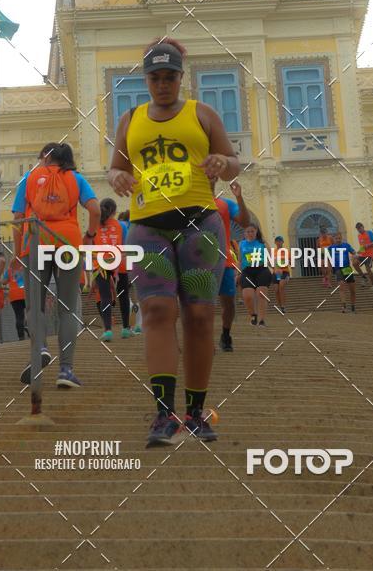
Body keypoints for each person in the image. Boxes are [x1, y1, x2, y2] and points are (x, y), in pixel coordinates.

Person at [108, 38, 239, 446]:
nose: (162, 85)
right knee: (156, 310)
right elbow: (115, 167)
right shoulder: (130, 119)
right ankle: (164, 415)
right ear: (146, 80)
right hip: (148, 227)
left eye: (170, 77)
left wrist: (222, 162)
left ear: (181, 78)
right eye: (155, 78)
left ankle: (196, 413)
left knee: (199, 315)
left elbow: (234, 162)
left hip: (200, 224)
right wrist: (117, 177)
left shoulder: (202, 114)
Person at [11, 142, 100, 388]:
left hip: (36, 241)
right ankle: (66, 371)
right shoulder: (76, 178)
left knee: (34, 306)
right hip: (68, 242)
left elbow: (17, 218)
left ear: (46, 157)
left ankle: (40, 347)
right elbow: (95, 209)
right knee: (68, 309)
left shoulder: (29, 178)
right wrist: (90, 235)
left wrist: (17, 253)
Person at [213, 180, 250, 352]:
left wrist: (239, 197)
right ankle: (204, 338)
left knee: (229, 304)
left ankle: (225, 334)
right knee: (202, 305)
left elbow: (245, 222)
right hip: (199, 263)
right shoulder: (192, 204)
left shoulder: (225, 204)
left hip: (224, 261)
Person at [92, 198, 133, 341]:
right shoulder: (121, 225)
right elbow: (125, 246)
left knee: (105, 297)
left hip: (100, 264)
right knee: (124, 296)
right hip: (119, 262)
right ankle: (126, 329)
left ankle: (108, 330)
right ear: (114, 211)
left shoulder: (94, 225)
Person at [239, 224, 271, 327]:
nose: (250, 233)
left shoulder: (263, 243)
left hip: (262, 270)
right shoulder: (241, 244)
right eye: (248, 231)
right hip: (247, 271)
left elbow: (270, 257)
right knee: (247, 296)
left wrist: (275, 267)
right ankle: (253, 315)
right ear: (245, 233)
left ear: (256, 231)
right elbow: (240, 260)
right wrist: (237, 272)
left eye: (252, 231)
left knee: (261, 294)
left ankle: (262, 320)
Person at [328, 232, 357, 313]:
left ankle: (353, 307)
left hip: (347, 268)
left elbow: (354, 252)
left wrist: (354, 257)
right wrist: (330, 271)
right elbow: (329, 259)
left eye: (339, 238)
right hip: (338, 269)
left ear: (341, 238)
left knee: (352, 289)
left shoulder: (346, 245)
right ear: (334, 239)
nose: (338, 240)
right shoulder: (330, 248)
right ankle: (343, 306)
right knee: (341, 287)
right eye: (336, 238)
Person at [3, 258, 27, 340]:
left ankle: (21, 336)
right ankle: (29, 327)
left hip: (14, 296)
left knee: (19, 316)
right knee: (31, 312)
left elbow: (4, 282)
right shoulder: (25, 268)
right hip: (25, 293)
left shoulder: (9, 271)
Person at [355, 222, 373, 287]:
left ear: (363, 227)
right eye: (358, 229)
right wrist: (358, 252)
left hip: (369, 255)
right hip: (362, 255)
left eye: (360, 228)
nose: (359, 230)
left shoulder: (369, 233)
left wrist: (367, 245)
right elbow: (362, 247)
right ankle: (364, 277)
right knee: (355, 263)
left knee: (368, 269)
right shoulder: (359, 236)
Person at [272, 235, 289, 312]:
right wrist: (274, 268)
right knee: (276, 290)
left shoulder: (286, 251)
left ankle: (283, 306)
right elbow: (270, 262)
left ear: (282, 242)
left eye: (280, 241)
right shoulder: (273, 252)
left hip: (284, 272)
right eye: (277, 241)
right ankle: (280, 306)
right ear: (275, 242)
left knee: (281, 286)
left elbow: (291, 262)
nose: (278, 242)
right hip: (276, 272)